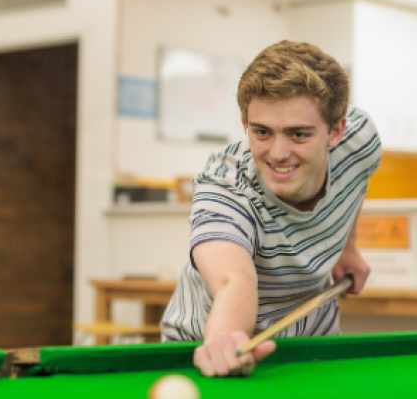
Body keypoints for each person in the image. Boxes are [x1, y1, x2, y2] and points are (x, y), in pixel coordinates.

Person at [161, 40, 381, 377]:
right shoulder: (225, 186)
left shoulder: (360, 140)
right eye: (262, 132)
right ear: (245, 123)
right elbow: (233, 279)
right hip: (211, 353)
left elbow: (356, 179)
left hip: (311, 342)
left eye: (298, 134)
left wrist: (347, 248)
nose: (278, 153)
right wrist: (226, 339)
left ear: (336, 131)